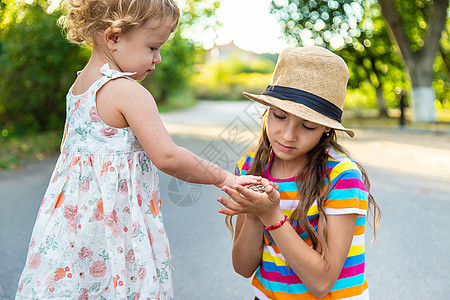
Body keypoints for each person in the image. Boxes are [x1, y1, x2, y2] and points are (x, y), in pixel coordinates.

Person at [15, 0, 260, 299]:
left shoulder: (79, 86)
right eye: (153, 47)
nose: (157, 58)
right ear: (114, 37)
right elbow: (168, 156)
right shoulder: (128, 92)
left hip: (72, 225)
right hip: (114, 225)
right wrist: (224, 178)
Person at [218, 46, 381, 299]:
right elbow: (243, 267)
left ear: (326, 129)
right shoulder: (251, 165)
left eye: (307, 125)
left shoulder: (341, 176)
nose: (288, 135)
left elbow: (322, 282)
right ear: (266, 111)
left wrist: (271, 215)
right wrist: (253, 213)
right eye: (279, 116)